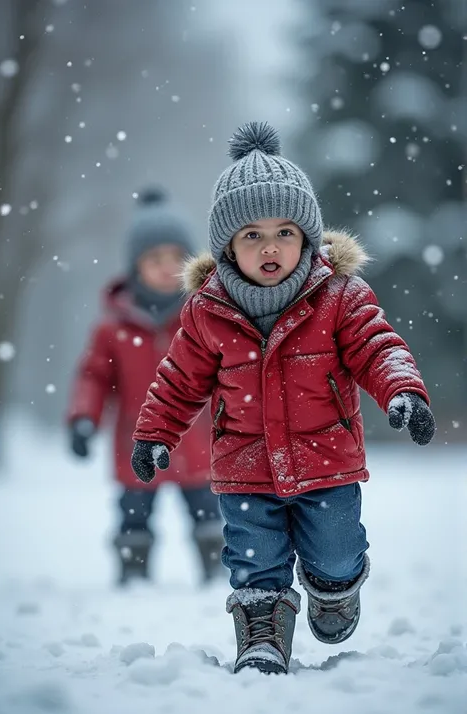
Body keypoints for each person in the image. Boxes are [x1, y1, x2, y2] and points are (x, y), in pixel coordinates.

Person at [130, 123, 436, 674]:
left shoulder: (341, 296)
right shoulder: (206, 311)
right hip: (245, 467)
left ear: (308, 238)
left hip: (329, 464)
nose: (270, 246)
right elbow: (179, 379)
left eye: (285, 231)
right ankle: (262, 633)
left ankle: (336, 588)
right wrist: (155, 433)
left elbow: (376, 346)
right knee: (253, 560)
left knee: (337, 551)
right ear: (227, 246)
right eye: (251, 235)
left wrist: (403, 391)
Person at [67, 188, 223, 585]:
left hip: (197, 442)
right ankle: (133, 568)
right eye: (155, 259)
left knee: (209, 512)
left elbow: (230, 373)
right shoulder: (113, 328)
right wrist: (84, 418)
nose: (167, 268)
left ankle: (217, 567)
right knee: (133, 514)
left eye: (175, 258)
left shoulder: (204, 317)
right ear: (136, 267)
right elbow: (94, 378)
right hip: (135, 445)